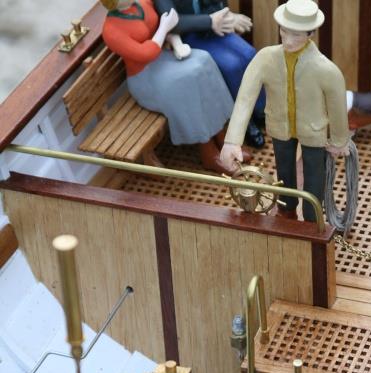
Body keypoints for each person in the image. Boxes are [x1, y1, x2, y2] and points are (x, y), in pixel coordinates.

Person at [221, 0, 350, 221]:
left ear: (311, 33)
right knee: (284, 173)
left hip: (314, 132)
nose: (288, 40)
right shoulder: (265, 59)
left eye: (297, 34)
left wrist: (340, 140)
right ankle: (286, 210)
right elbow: (245, 98)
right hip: (279, 126)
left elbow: (337, 107)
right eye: (284, 31)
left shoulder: (327, 70)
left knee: (315, 178)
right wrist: (232, 141)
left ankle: (312, 220)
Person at [101, 0, 235, 173]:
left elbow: (163, 21)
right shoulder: (111, 30)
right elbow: (146, 53)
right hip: (145, 76)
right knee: (187, 82)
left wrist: (173, 39)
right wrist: (164, 27)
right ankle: (207, 150)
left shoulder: (142, 3)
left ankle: (223, 138)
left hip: (163, 58)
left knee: (204, 61)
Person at [154, 0, 266, 148]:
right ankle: (243, 121)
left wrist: (224, 16)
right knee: (231, 65)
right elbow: (173, 23)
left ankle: (259, 109)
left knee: (249, 54)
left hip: (214, 24)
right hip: (187, 35)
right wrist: (209, 21)